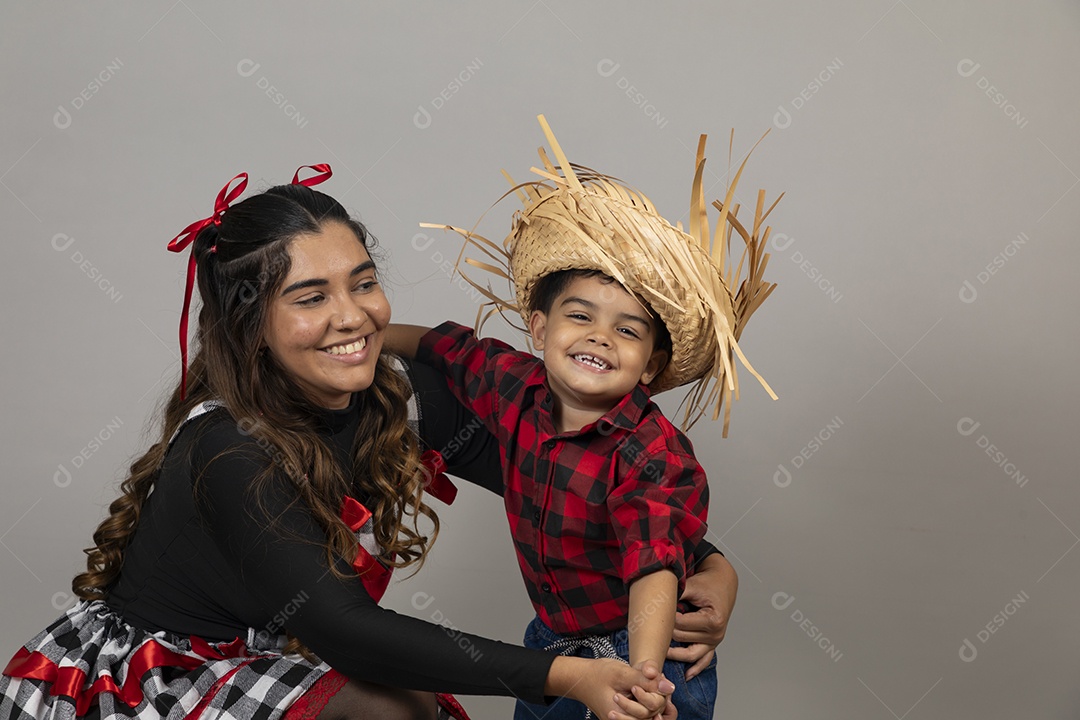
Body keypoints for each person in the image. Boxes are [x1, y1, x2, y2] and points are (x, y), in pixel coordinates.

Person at [0, 166, 685, 720]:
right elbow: (348, 631)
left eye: (363, 283)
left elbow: (574, 482)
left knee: (405, 701)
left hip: (280, 648)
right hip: (163, 677)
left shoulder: (396, 393)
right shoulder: (228, 450)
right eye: (310, 297)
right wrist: (567, 675)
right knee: (394, 707)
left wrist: (707, 567)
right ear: (250, 327)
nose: (352, 316)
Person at [388, 116, 780, 720]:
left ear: (650, 366)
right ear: (540, 330)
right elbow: (447, 347)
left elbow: (653, 568)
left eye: (627, 331)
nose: (600, 337)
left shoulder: (653, 452)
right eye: (580, 317)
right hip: (551, 644)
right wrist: (373, 337)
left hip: (642, 649)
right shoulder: (512, 384)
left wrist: (642, 679)